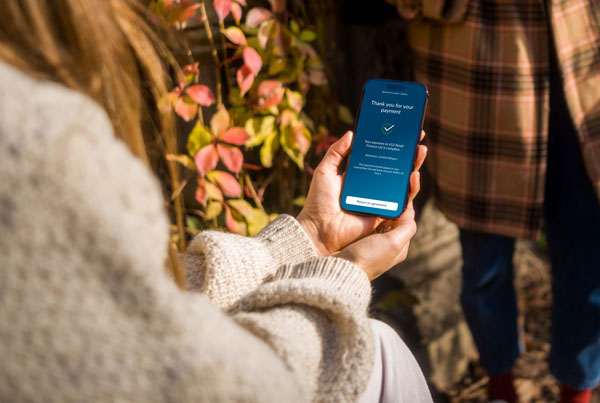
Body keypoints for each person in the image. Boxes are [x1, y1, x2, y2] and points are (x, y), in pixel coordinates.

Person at [0, 1, 434, 402]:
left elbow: (157, 301)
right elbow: (222, 388)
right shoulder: (39, 145)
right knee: (379, 347)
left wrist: (311, 239)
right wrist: (346, 274)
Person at [387, 0, 600, 401]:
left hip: (580, 67)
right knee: (486, 268)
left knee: (590, 266)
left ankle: (578, 392)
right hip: (480, 76)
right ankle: (500, 388)